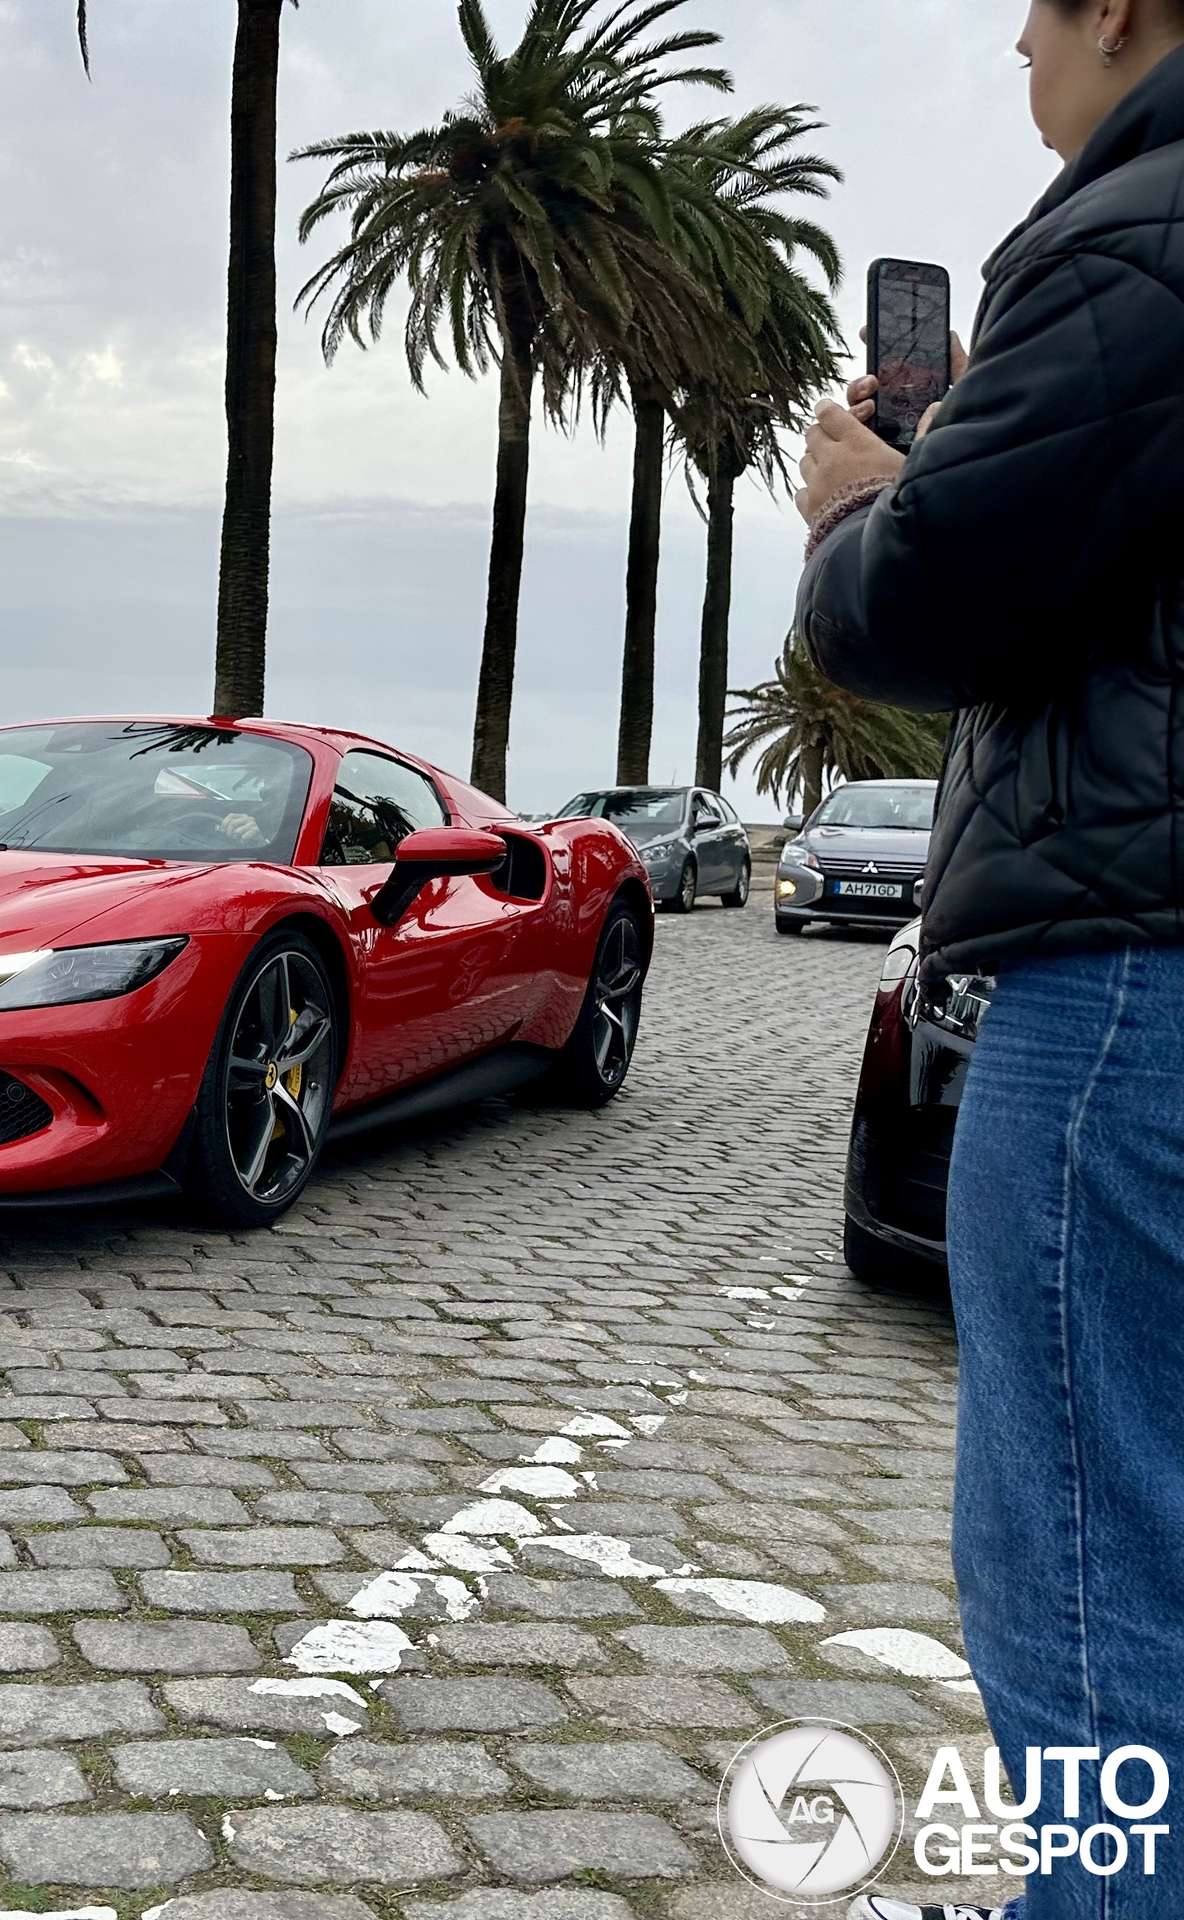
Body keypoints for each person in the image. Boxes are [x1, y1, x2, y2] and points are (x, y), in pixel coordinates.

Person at [793, 3, 1184, 1916]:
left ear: (1118, 8)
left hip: (1128, 988)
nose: (1016, 43)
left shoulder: (1132, 235)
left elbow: (928, 607)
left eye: (1035, 4)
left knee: (1095, 1577)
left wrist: (866, 501)